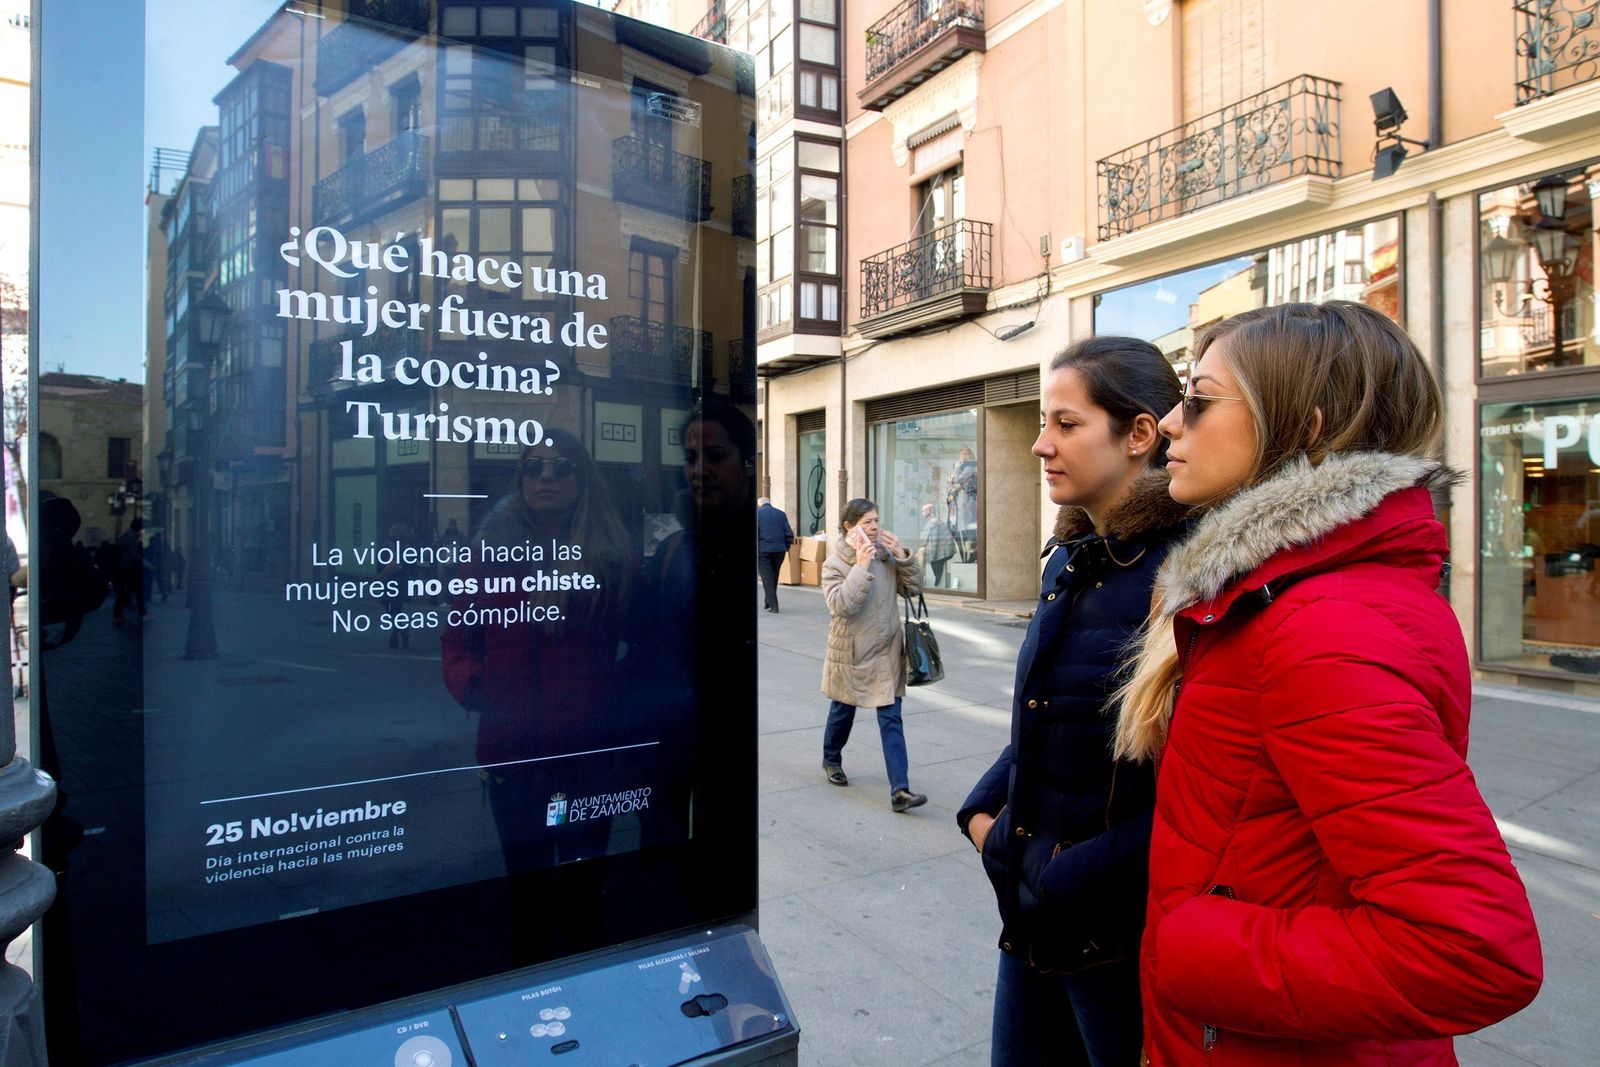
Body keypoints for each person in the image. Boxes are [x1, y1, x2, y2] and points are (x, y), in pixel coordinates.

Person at [1116, 301, 1543, 1064]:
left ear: (1304, 427)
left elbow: (1473, 946)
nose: (1173, 422)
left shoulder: (1318, 627)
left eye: (1202, 399)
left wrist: (1188, 947)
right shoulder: (1281, 598)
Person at [957, 338, 1188, 1066]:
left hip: (1116, 943)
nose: (1038, 444)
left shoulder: (1185, 576)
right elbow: (1046, 716)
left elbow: (1193, 781)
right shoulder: (1073, 557)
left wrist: (1063, 878)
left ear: (1140, 435)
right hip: (1032, 919)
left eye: (1065, 423)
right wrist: (983, 813)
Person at [820, 498, 927, 812]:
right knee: (843, 711)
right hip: (851, 653)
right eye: (868, 522)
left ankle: (900, 790)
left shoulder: (885, 557)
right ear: (849, 527)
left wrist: (903, 558)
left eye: (877, 521)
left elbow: (913, 590)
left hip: (887, 651)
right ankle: (831, 758)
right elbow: (841, 606)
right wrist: (860, 567)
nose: (875, 527)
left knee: (891, 717)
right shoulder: (835, 564)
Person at [756, 497, 795, 613]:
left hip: (763, 550)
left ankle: (774, 606)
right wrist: (786, 547)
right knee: (773, 575)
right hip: (779, 550)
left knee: (767, 578)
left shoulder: (757, 514)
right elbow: (789, 533)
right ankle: (767, 602)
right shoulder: (781, 514)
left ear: (760, 505)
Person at [947, 447, 978, 561]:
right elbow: (952, 483)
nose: (962, 457)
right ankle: (968, 556)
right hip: (963, 502)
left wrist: (957, 467)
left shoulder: (968, 467)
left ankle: (972, 554)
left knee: (967, 528)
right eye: (961, 455)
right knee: (962, 530)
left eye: (964, 454)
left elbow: (956, 479)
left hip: (968, 502)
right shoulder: (967, 467)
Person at [917, 502, 956, 588]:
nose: (922, 513)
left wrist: (932, 557)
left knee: (922, 553)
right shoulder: (934, 522)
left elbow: (934, 542)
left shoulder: (933, 523)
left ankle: (921, 578)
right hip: (944, 550)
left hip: (943, 552)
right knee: (920, 554)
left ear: (930, 511)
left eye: (924, 511)